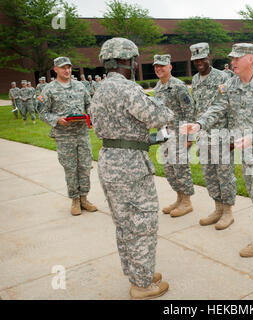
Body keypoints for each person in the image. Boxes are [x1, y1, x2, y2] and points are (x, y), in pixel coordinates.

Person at [181, 43, 253, 257]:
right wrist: (200, 124)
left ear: (251, 59)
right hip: (246, 151)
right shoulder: (230, 85)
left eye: (238, 58)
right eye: (232, 58)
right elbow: (217, 108)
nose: (233, 62)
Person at [90, 37, 173, 300]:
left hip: (109, 160)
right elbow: (160, 116)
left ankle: (138, 272)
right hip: (130, 166)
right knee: (142, 223)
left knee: (124, 223)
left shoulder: (100, 89)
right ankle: (142, 284)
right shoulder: (128, 89)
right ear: (127, 60)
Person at [39, 57, 97, 216]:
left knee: (85, 167)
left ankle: (84, 198)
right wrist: (56, 120)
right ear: (55, 69)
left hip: (82, 134)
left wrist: (89, 115)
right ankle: (75, 200)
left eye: (69, 68)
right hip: (64, 136)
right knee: (71, 168)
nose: (67, 71)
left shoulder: (80, 86)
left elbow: (89, 104)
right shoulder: (49, 89)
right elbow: (42, 113)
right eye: (63, 68)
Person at [190, 42, 237, 230]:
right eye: (195, 60)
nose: (199, 62)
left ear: (209, 56)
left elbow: (232, 108)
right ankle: (217, 208)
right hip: (203, 136)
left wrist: (233, 136)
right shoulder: (195, 79)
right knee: (209, 174)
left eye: (202, 58)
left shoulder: (223, 77)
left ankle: (228, 212)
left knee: (224, 174)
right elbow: (196, 107)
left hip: (221, 135)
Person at [153, 54, 195, 217]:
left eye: (162, 65)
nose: (159, 68)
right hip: (164, 135)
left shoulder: (178, 86)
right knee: (169, 169)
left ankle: (187, 202)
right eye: (156, 66)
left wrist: (189, 137)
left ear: (170, 67)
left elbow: (189, 111)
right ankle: (179, 199)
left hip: (179, 135)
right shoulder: (158, 87)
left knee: (181, 168)